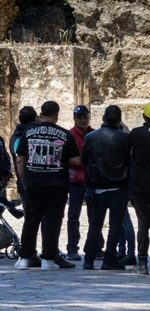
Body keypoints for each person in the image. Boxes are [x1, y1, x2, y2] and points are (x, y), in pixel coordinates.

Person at [15, 101, 80, 271]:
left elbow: (20, 159)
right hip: (57, 183)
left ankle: (25, 256)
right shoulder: (64, 134)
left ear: (41, 113)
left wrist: (24, 179)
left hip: (34, 183)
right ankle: (48, 258)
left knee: (31, 219)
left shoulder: (28, 132)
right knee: (53, 221)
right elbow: (74, 160)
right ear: (57, 115)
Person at [81, 105, 131, 271]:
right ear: (119, 120)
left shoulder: (90, 137)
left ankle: (89, 258)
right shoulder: (124, 138)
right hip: (118, 185)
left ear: (103, 118)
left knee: (95, 224)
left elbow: (84, 159)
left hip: (97, 185)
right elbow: (129, 161)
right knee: (115, 224)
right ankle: (109, 258)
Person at [66, 105, 94, 261]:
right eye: (79, 117)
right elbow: (72, 160)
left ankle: (95, 247)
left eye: (85, 116)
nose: (83, 120)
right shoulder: (70, 135)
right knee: (73, 216)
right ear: (75, 118)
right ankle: (72, 248)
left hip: (91, 181)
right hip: (75, 181)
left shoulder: (94, 134)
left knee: (95, 216)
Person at [128, 102, 150, 275]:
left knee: (143, 224)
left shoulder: (136, 134)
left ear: (144, 116)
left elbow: (127, 155)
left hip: (141, 185)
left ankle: (142, 262)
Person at [9, 106, 38, 204]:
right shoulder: (37, 134)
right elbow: (19, 160)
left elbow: (16, 157)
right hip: (37, 181)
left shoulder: (14, 137)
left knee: (29, 215)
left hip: (22, 180)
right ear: (35, 118)